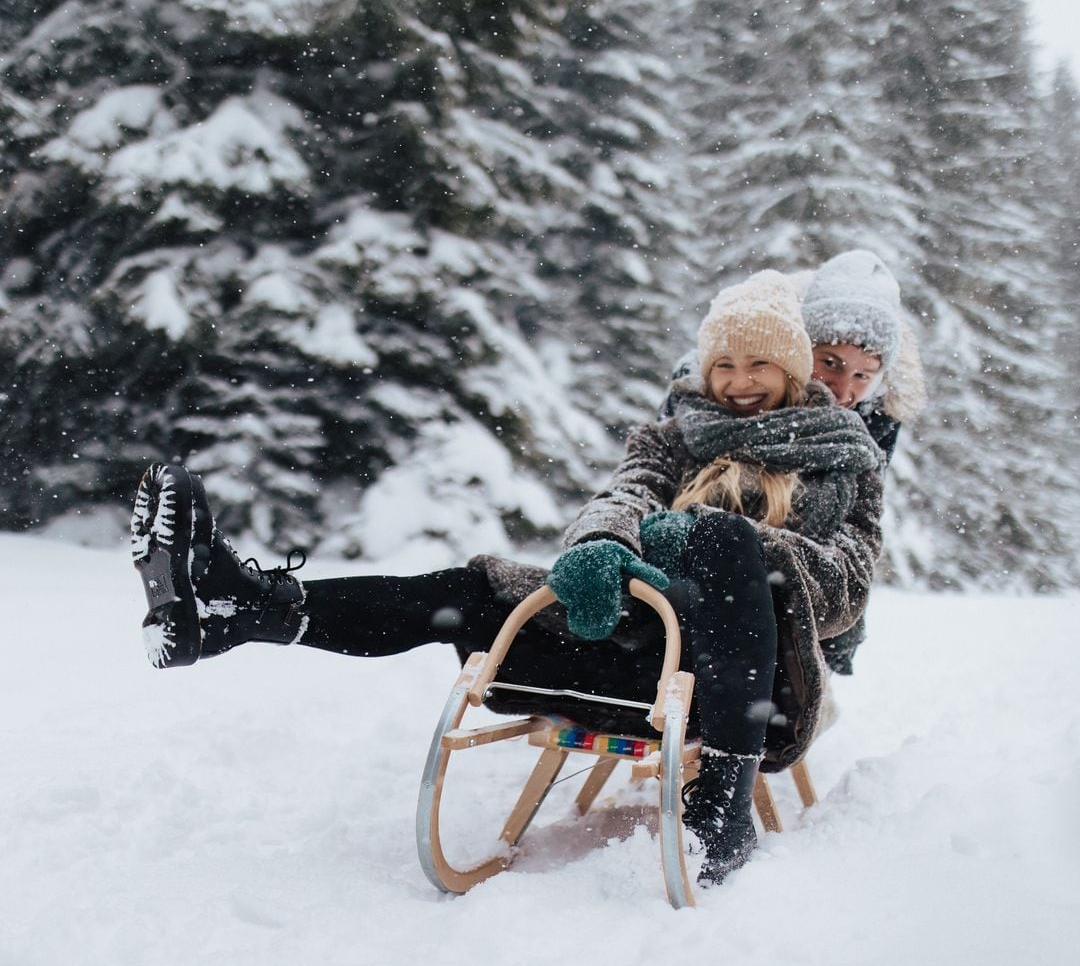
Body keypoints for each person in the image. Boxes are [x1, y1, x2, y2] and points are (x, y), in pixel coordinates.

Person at [133, 271, 885, 887]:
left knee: (722, 539)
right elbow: (622, 495)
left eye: (758, 366)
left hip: (755, 682)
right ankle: (242, 610)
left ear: (789, 372)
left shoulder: (845, 458)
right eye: (724, 364)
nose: (739, 381)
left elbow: (848, 587)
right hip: (634, 652)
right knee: (473, 592)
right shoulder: (671, 436)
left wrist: (731, 547)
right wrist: (601, 543)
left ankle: (720, 805)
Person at [658, 249, 926, 674]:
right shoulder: (718, 396)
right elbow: (660, 476)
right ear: (796, 352)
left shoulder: (874, 421)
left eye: (864, 374)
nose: (844, 388)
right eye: (830, 364)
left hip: (792, 578)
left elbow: (857, 526)